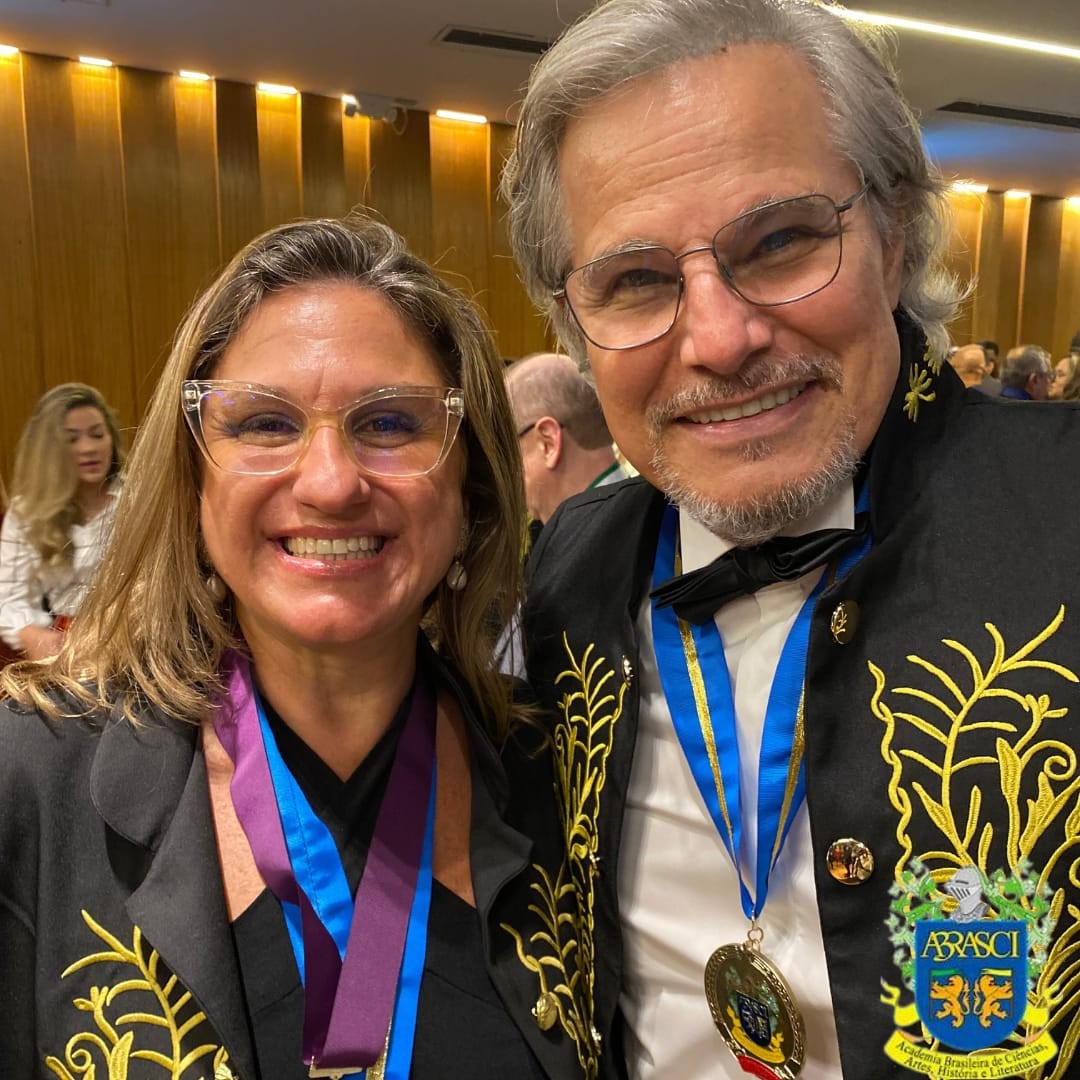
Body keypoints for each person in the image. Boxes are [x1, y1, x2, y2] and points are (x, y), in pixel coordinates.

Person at [502, 0, 1080, 1077]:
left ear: (895, 227)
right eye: (635, 282)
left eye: (780, 243)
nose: (719, 338)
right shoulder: (570, 573)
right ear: (573, 321)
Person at [0, 216, 614, 1080]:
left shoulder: (560, 774)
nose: (329, 482)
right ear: (192, 475)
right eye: (263, 423)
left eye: (392, 422)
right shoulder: (32, 777)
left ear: (472, 487)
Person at [0, 382, 125, 660]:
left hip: (133, 638)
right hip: (66, 647)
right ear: (49, 450)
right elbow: (8, 599)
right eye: (71, 439)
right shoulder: (27, 512)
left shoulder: (137, 499)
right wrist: (34, 636)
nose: (88, 448)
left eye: (97, 434)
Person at [505, 351, 628, 525]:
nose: (505, 478)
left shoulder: (593, 543)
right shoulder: (643, 521)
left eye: (507, 452)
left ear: (548, 443)